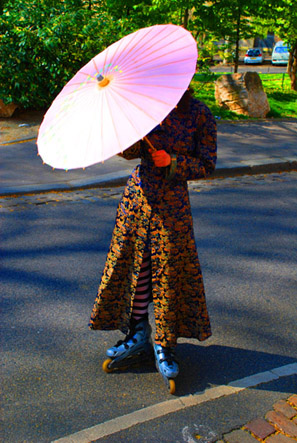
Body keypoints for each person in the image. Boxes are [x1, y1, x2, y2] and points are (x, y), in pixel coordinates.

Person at [89, 87, 217, 384]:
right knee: (135, 266)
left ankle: (164, 342)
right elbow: (129, 152)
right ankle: (137, 333)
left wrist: (173, 161)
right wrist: (126, 126)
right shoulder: (147, 108)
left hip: (172, 205)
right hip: (137, 200)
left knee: (169, 273)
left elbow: (207, 164)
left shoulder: (199, 114)